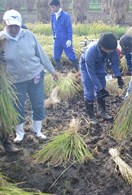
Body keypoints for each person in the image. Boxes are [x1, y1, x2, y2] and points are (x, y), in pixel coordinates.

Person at [1, 9, 58, 143]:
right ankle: (19, 133)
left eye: (16, 25)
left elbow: (40, 53)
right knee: (17, 106)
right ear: (5, 23)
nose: (14, 29)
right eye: (11, 26)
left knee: (38, 104)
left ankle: (37, 130)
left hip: (35, 76)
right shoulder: (1, 40)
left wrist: (52, 70)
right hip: (15, 80)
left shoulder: (28, 35)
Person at [79, 33, 124, 124]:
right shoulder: (91, 52)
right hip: (86, 66)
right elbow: (91, 73)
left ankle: (102, 111)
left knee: (102, 88)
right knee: (89, 90)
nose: (112, 51)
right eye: (110, 50)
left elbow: (114, 63)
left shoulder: (112, 49)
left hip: (99, 65)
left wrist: (118, 76)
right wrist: (100, 88)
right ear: (103, 47)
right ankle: (91, 116)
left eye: (113, 50)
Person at [49, 0, 78, 71]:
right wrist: (54, 36)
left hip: (65, 40)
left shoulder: (65, 16)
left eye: (53, 7)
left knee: (71, 56)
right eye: (51, 8)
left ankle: (78, 69)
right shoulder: (52, 16)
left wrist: (69, 40)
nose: (52, 9)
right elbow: (53, 27)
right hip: (57, 40)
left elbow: (69, 29)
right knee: (56, 57)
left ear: (58, 6)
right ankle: (61, 71)